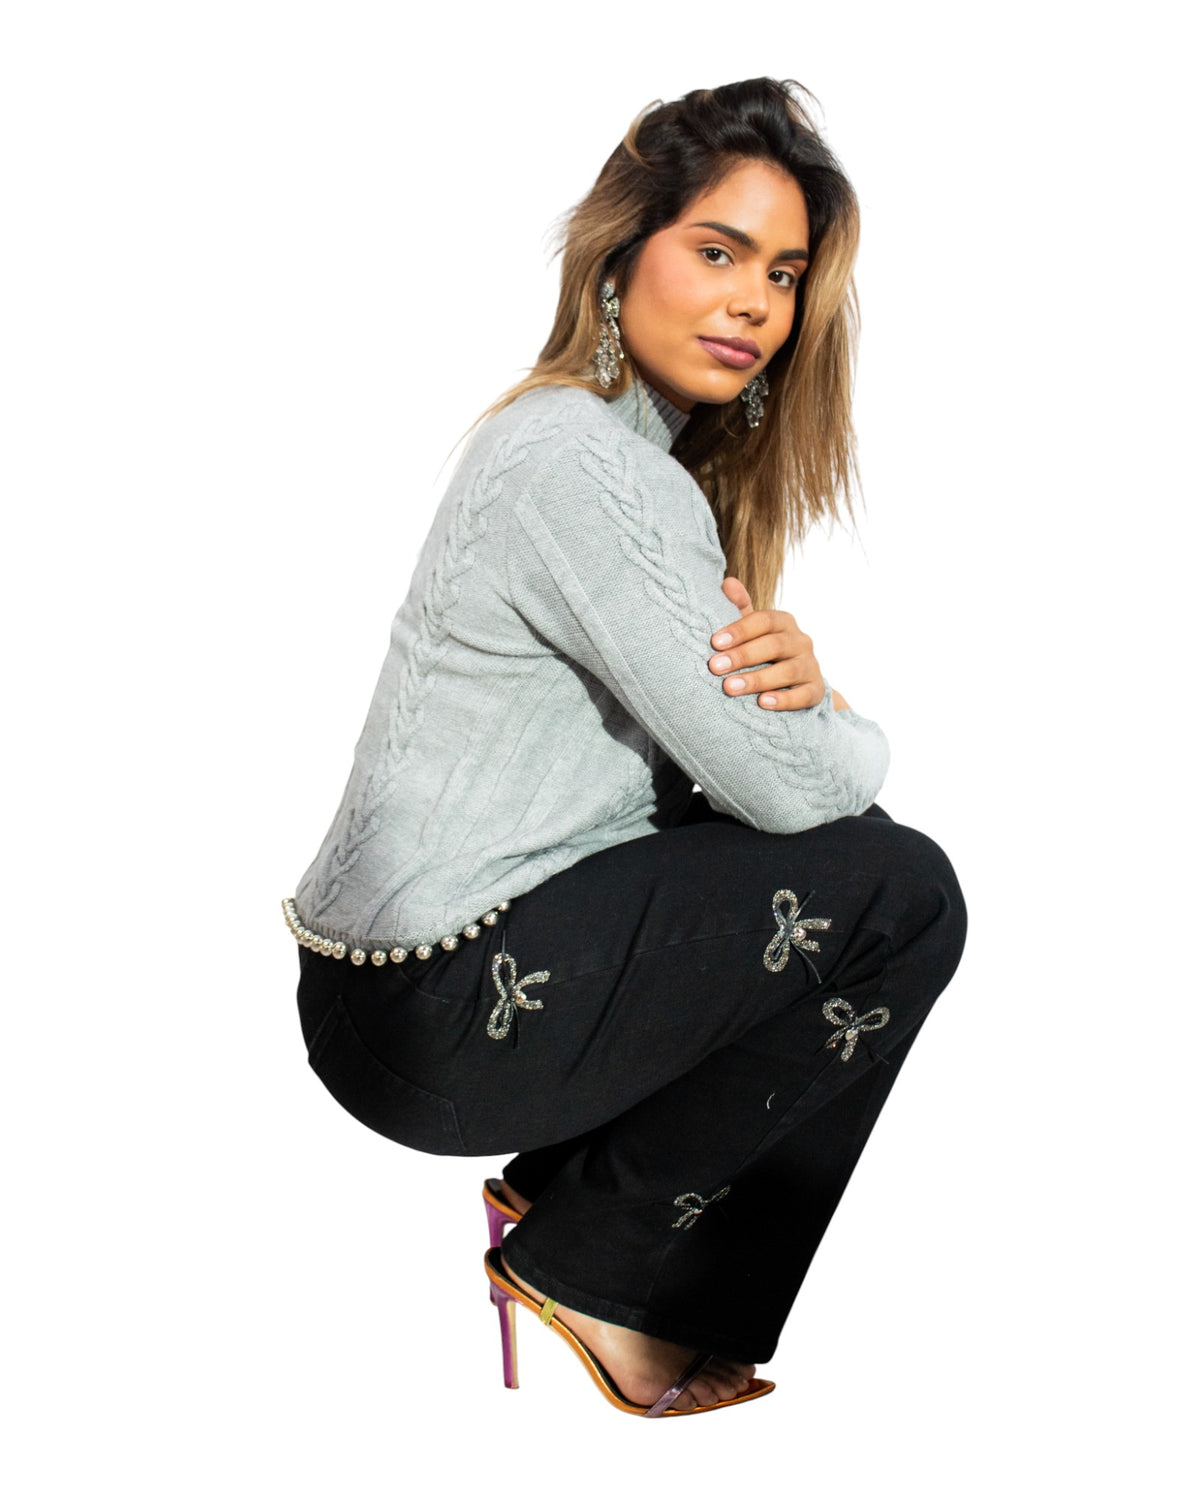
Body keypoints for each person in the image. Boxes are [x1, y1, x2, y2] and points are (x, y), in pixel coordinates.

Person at [286, 76, 968, 1418]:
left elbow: (734, 789)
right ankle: (601, 1267)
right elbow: (788, 785)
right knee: (899, 893)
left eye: (782, 275)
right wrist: (839, 720)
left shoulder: (611, 460)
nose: (753, 303)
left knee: (845, 872)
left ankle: (578, 1216)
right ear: (619, 256)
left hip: (415, 999)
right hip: (435, 1002)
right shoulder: (581, 463)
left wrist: (787, 726)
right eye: (716, 252)